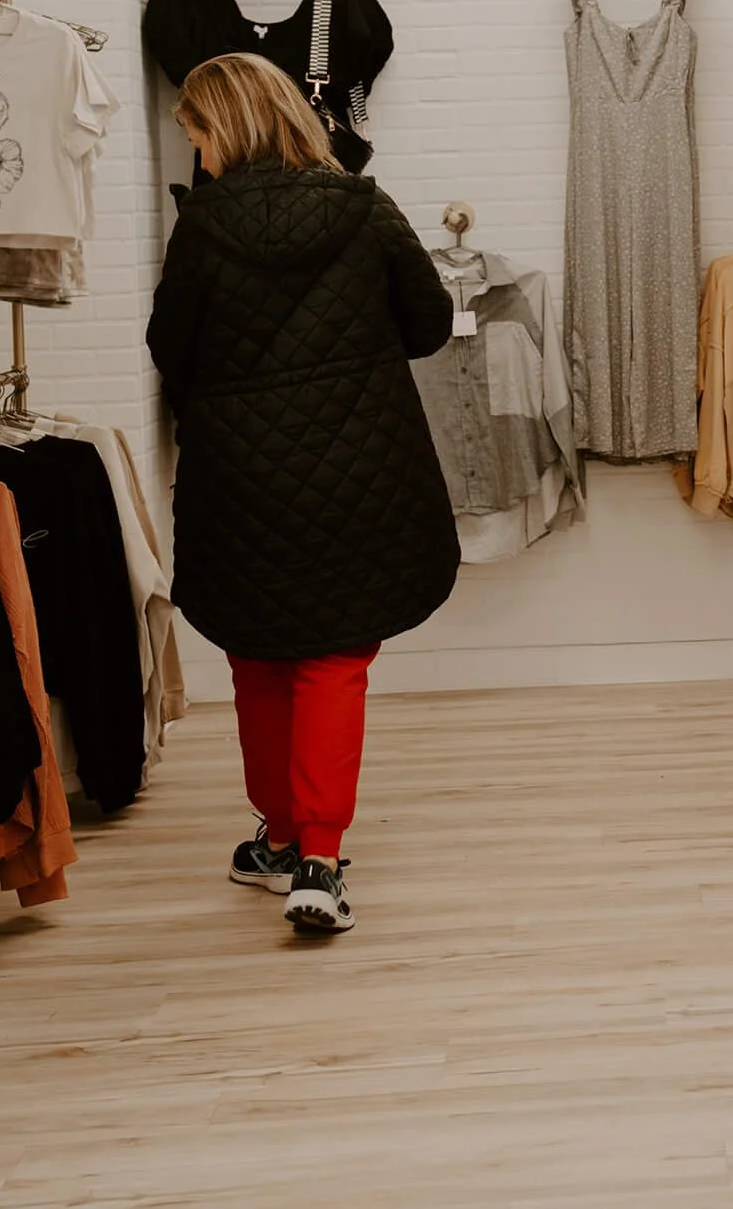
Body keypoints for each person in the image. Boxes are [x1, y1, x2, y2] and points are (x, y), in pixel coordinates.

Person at [146, 53, 459, 934]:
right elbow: (430, 323)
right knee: (335, 658)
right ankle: (320, 861)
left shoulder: (203, 227)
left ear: (230, 128)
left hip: (240, 477)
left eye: (198, 134)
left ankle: (279, 838)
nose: (197, 153)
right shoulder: (362, 207)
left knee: (259, 655)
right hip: (362, 466)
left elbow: (173, 346)